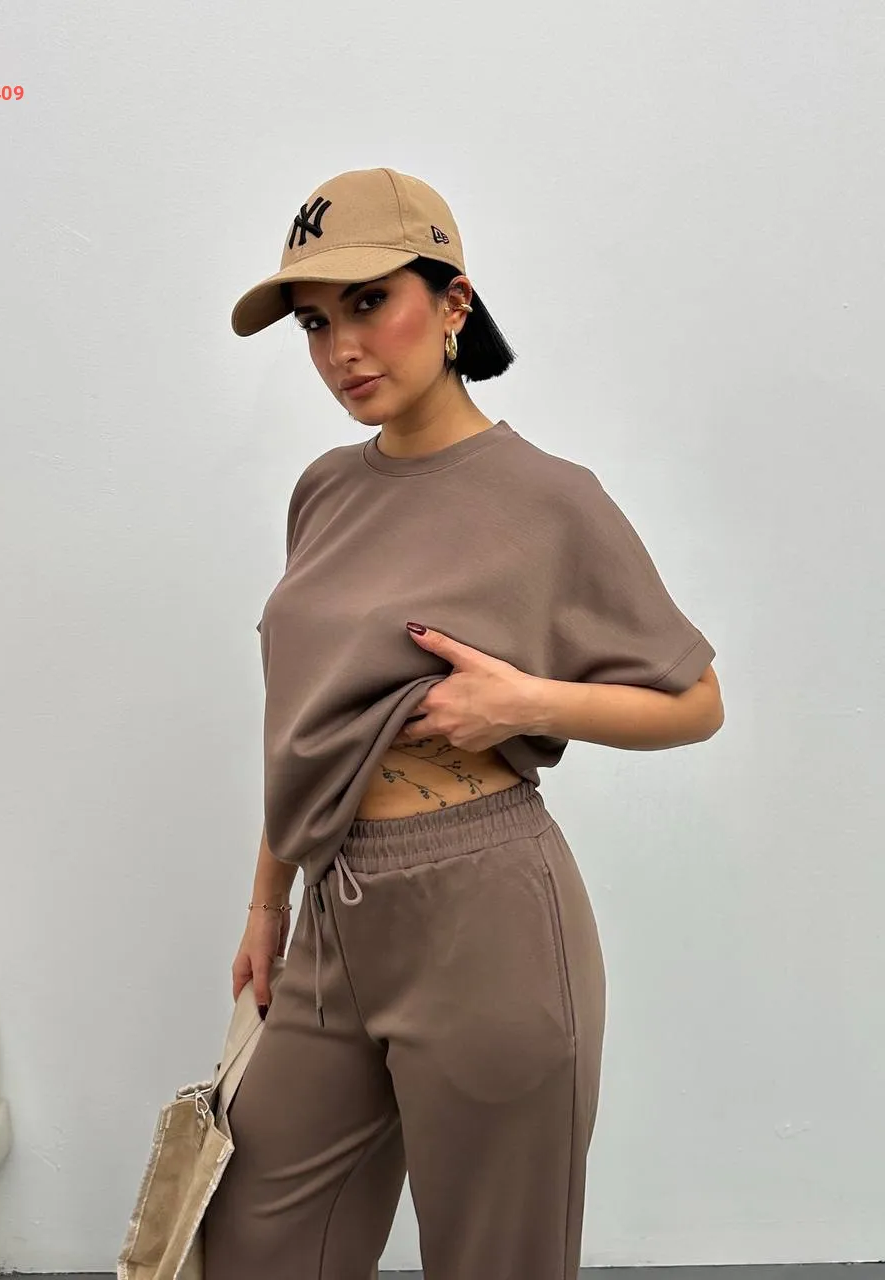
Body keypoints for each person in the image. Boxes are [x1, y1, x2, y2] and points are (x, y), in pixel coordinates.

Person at [202, 167, 723, 1280]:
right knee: (250, 1235)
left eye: (369, 302)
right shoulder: (323, 490)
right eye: (314, 322)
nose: (343, 348)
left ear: (453, 304)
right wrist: (267, 900)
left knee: (496, 1257)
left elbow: (697, 700)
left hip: (486, 911)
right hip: (336, 913)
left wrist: (528, 702)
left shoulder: (549, 497)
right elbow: (303, 715)